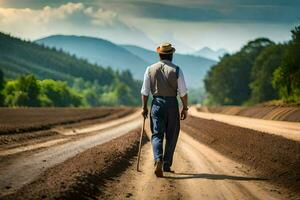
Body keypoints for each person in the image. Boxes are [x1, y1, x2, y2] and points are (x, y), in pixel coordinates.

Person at [141, 42, 188, 177]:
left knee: (157, 134)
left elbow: (145, 91)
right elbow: (183, 92)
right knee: (172, 135)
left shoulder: (150, 69)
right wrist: (184, 108)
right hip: (172, 105)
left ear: (160, 55)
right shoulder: (177, 70)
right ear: (171, 55)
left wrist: (144, 107)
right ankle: (166, 164)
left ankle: (158, 160)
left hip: (156, 104)